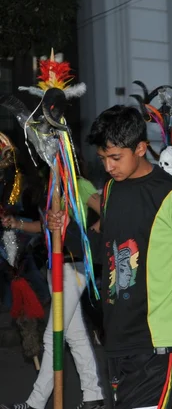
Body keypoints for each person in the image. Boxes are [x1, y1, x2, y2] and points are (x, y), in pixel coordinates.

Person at [59, 105, 172, 409]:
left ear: (141, 148)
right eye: (103, 158)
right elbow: (103, 251)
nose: (108, 167)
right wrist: (65, 233)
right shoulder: (110, 192)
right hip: (117, 334)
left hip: (157, 337)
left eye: (116, 157)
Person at [0, 168, 105, 409]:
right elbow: (46, 227)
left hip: (72, 267)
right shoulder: (51, 187)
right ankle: (93, 397)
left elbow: (107, 209)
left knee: (52, 335)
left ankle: (35, 403)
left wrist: (91, 234)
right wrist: (16, 223)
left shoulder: (78, 184)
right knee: (74, 335)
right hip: (54, 266)